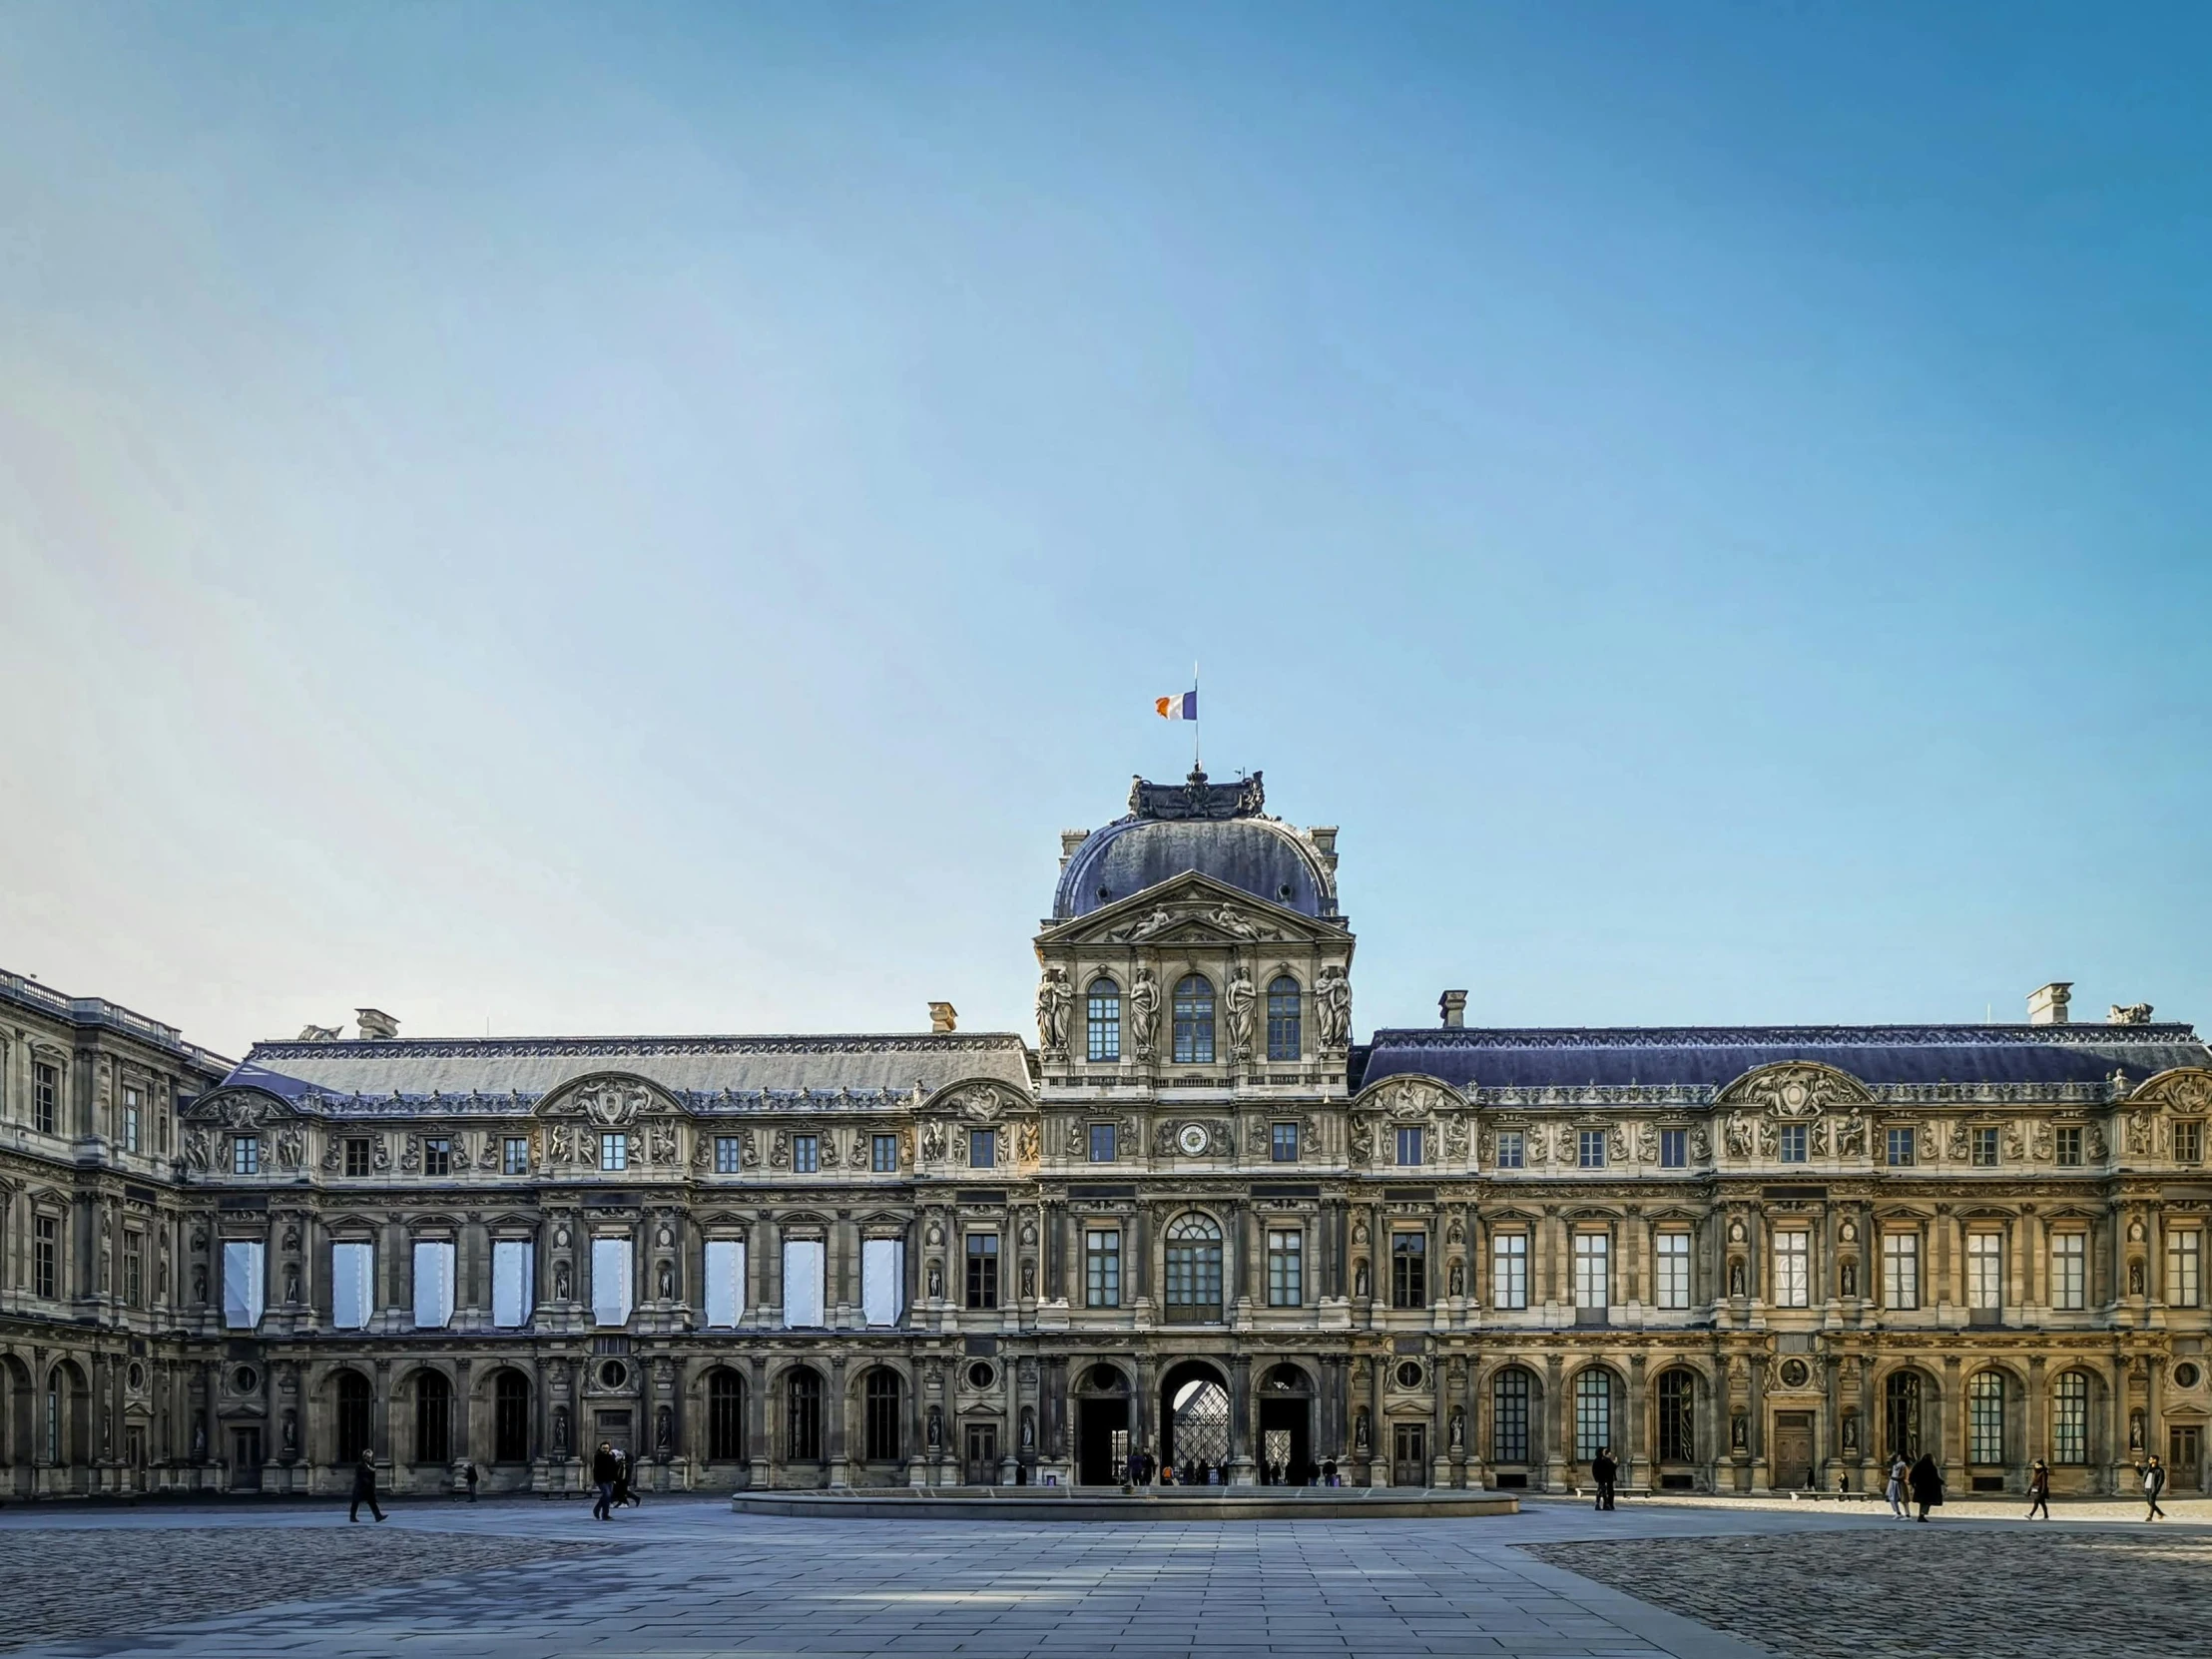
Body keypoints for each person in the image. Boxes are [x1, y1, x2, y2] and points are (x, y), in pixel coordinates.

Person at [348, 1451, 386, 1523]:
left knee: (372, 1502)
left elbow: (372, 1475)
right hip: (360, 1487)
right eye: (368, 1457)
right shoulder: (360, 1465)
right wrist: (366, 1480)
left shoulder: (371, 1465)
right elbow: (360, 1475)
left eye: (370, 1457)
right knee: (355, 1502)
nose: (369, 1458)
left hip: (368, 1488)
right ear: (364, 1457)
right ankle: (352, 1517)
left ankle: (378, 1516)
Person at [1908, 1452, 1943, 1522]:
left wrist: (1913, 1484)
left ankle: (1921, 1515)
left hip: (1920, 1487)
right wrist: (1941, 1482)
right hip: (1929, 1488)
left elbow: (1912, 1475)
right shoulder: (1931, 1467)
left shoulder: (1918, 1465)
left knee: (1922, 1502)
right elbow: (1934, 1478)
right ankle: (1922, 1515)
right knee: (1927, 1502)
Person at [591, 1440, 621, 1520]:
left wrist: (615, 1478)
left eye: (607, 1448)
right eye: (603, 1448)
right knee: (607, 1495)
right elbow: (600, 1466)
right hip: (601, 1480)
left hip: (610, 1479)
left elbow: (614, 1468)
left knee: (607, 1496)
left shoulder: (611, 1456)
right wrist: (612, 1457)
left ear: (609, 1449)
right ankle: (605, 1514)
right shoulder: (598, 1456)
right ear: (600, 1448)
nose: (605, 1450)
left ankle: (597, 1509)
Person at [2140, 1454, 2166, 1521]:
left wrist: (2157, 1489)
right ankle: (2160, 1513)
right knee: (2149, 1502)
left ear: (2155, 1460)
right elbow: (2141, 1474)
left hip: (2153, 1488)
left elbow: (2161, 1481)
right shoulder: (2148, 1469)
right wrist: (2137, 1467)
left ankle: (2150, 1516)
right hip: (2147, 1487)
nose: (2149, 1461)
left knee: (2152, 1502)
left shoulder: (2160, 1470)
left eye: (2150, 1459)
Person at [1592, 1447, 1617, 1512]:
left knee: (1602, 1491)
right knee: (1603, 1491)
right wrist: (1614, 1463)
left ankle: (1601, 1504)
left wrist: (1596, 1478)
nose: (1604, 1452)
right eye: (1603, 1451)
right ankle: (1605, 1505)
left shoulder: (1598, 1459)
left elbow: (1594, 1470)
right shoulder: (1603, 1459)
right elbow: (1609, 1468)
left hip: (1601, 1478)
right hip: (1603, 1478)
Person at [1885, 1455, 1910, 1520]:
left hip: (1900, 1484)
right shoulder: (1896, 1465)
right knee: (1892, 1498)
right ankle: (1898, 1513)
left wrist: (1894, 1478)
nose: (1897, 1458)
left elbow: (1903, 1476)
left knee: (1904, 1500)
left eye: (1898, 1456)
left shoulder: (1903, 1466)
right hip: (1893, 1483)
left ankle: (1908, 1515)